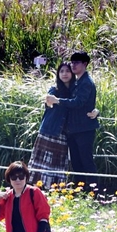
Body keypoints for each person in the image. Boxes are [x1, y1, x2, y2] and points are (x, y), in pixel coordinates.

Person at [28, 62, 97, 189]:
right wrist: (51, 100)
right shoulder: (55, 90)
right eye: (61, 71)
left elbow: (80, 104)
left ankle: (54, 189)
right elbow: (49, 102)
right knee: (43, 163)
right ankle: (37, 190)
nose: (64, 74)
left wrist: (96, 111)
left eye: (67, 71)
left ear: (72, 73)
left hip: (64, 134)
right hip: (50, 130)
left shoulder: (74, 91)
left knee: (57, 163)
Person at [44, 51, 99, 190]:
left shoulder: (86, 82)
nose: (73, 65)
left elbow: (79, 102)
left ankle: (94, 191)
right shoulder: (76, 82)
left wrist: (58, 101)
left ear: (85, 64)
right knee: (76, 162)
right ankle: (80, 190)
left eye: (77, 62)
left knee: (86, 161)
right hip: (73, 130)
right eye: (72, 62)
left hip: (84, 129)